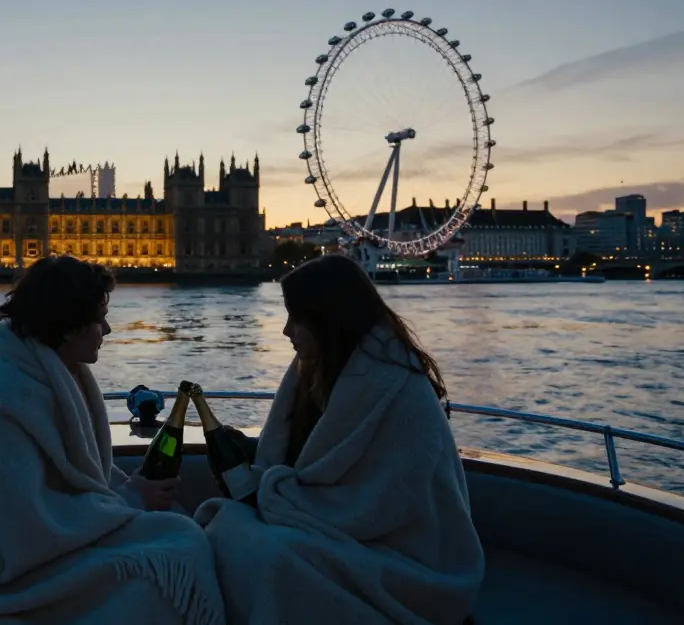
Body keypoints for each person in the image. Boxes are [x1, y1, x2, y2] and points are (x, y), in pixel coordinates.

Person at [0, 255, 225, 624]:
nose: (109, 329)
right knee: (176, 550)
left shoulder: (43, 375)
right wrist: (131, 497)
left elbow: (71, 479)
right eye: (100, 319)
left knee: (180, 529)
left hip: (41, 548)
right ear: (70, 326)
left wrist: (131, 491)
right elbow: (22, 525)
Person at [195, 254, 485, 624]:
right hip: (341, 531)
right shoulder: (315, 369)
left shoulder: (399, 389)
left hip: (404, 556)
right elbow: (315, 467)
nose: (286, 331)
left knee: (269, 554)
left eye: (295, 319)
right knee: (226, 527)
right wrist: (248, 453)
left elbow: (378, 504)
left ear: (327, 320)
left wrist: (273, 493)